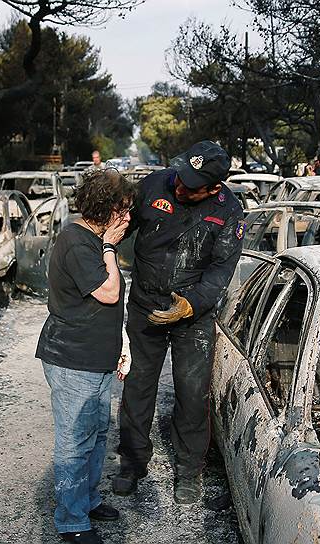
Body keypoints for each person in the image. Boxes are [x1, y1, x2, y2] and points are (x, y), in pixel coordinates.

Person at [113, 140, 245, 504]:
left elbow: (221, 272)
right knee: (137, 387)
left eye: (191, 184)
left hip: (192, 317)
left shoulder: (230, 212)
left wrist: (190, 305)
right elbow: (121, 227)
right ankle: (132, 463)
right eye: (181, 177)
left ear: (214, 187)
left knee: (191, 394)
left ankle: (188, 471)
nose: (180, 186)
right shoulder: (156, 184)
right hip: (145, 306)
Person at [36, 168, 134, 544]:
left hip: (97, 358)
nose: (127, 218)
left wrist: (121, 345)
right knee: (75, 440)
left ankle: (88, 501)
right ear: (102, 208)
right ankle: (72, 521)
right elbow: (109, 293)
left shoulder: (92, 238)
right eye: (122, 210)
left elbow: (110, 309)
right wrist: (110, 246)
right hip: (72, 359)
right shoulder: (80, 242)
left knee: (96, 435)